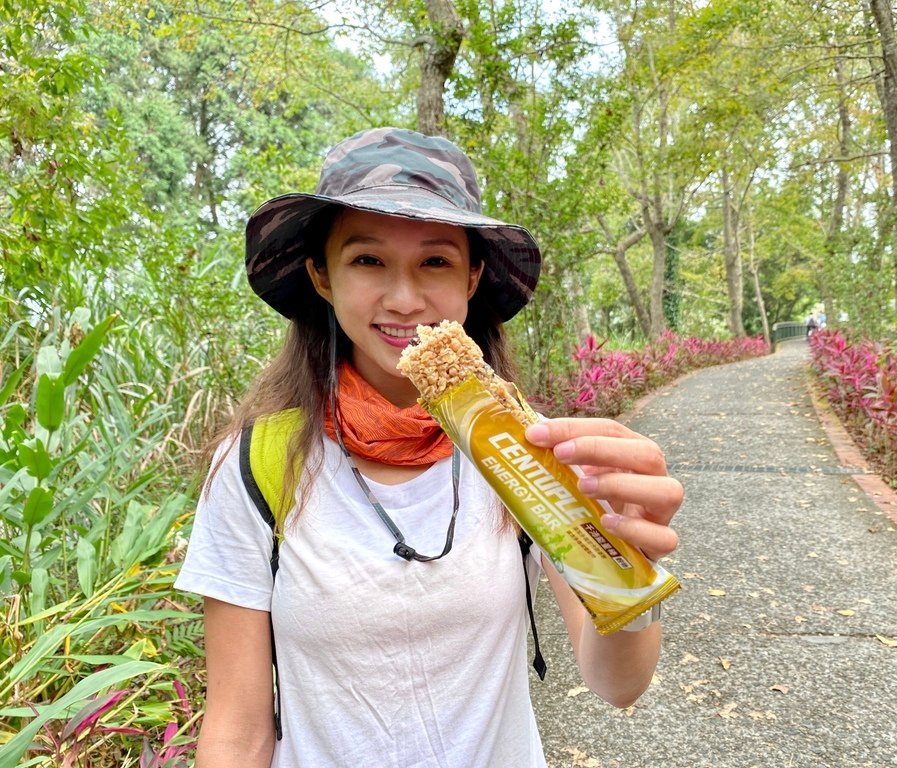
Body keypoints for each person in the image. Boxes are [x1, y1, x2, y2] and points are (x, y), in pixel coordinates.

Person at [175, 127, 683, 768]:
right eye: (367, 260)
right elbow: (237, 728)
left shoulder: (527, 448)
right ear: (322, 277)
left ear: (472, 279)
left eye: (435, 262)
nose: (406, 299)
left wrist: (624, 567)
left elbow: (618, 685)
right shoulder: (257, 464)